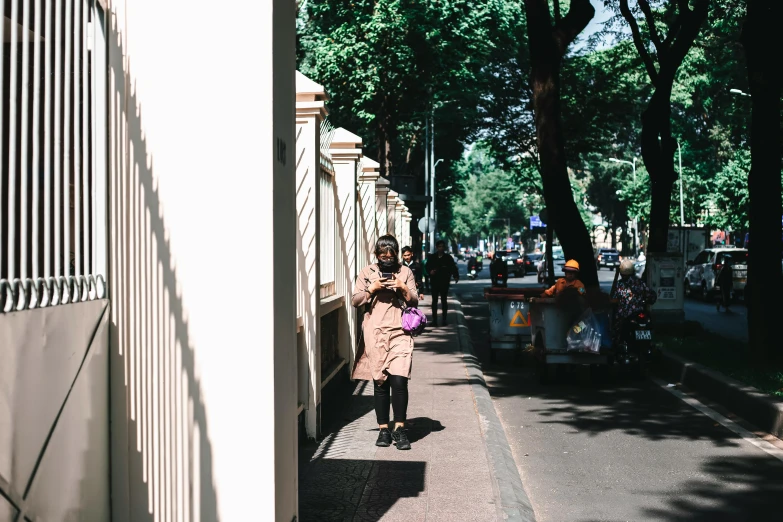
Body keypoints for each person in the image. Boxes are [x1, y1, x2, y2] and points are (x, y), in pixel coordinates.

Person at [352, 235, 419, 450]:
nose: (387, 260)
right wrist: (372, 288)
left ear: (396, 254)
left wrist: (402, 287)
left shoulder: (405, 272)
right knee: (380, 382)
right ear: (377, 255)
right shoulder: (367, 272)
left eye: (391, 256)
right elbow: (355, 301)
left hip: (401, 330)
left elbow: (415, 300)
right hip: (376, 332)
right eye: (383, 257)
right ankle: (383, 429)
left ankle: (399, 428)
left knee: (400, 380)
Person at [610, 259, 657, 344]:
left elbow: (613, 299)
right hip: (639, 313)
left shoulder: (619, 284)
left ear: (621, 273)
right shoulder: (640, 283)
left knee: (615, 330)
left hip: (624, 315)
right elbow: (652, 296)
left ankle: (616, 343)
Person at [427, 240, 459, 326]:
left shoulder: (448, 258)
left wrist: (455, 276)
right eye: (439, 246)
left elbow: (453, 267)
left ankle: (444, 319)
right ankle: (434, 320)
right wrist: (430, 272)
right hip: (434, 282)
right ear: (437, 247)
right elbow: (427, 267)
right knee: (434, 301)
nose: (441, 248)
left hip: (444, 282)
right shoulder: (432, 257)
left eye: (442, 246)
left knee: (444, 301)